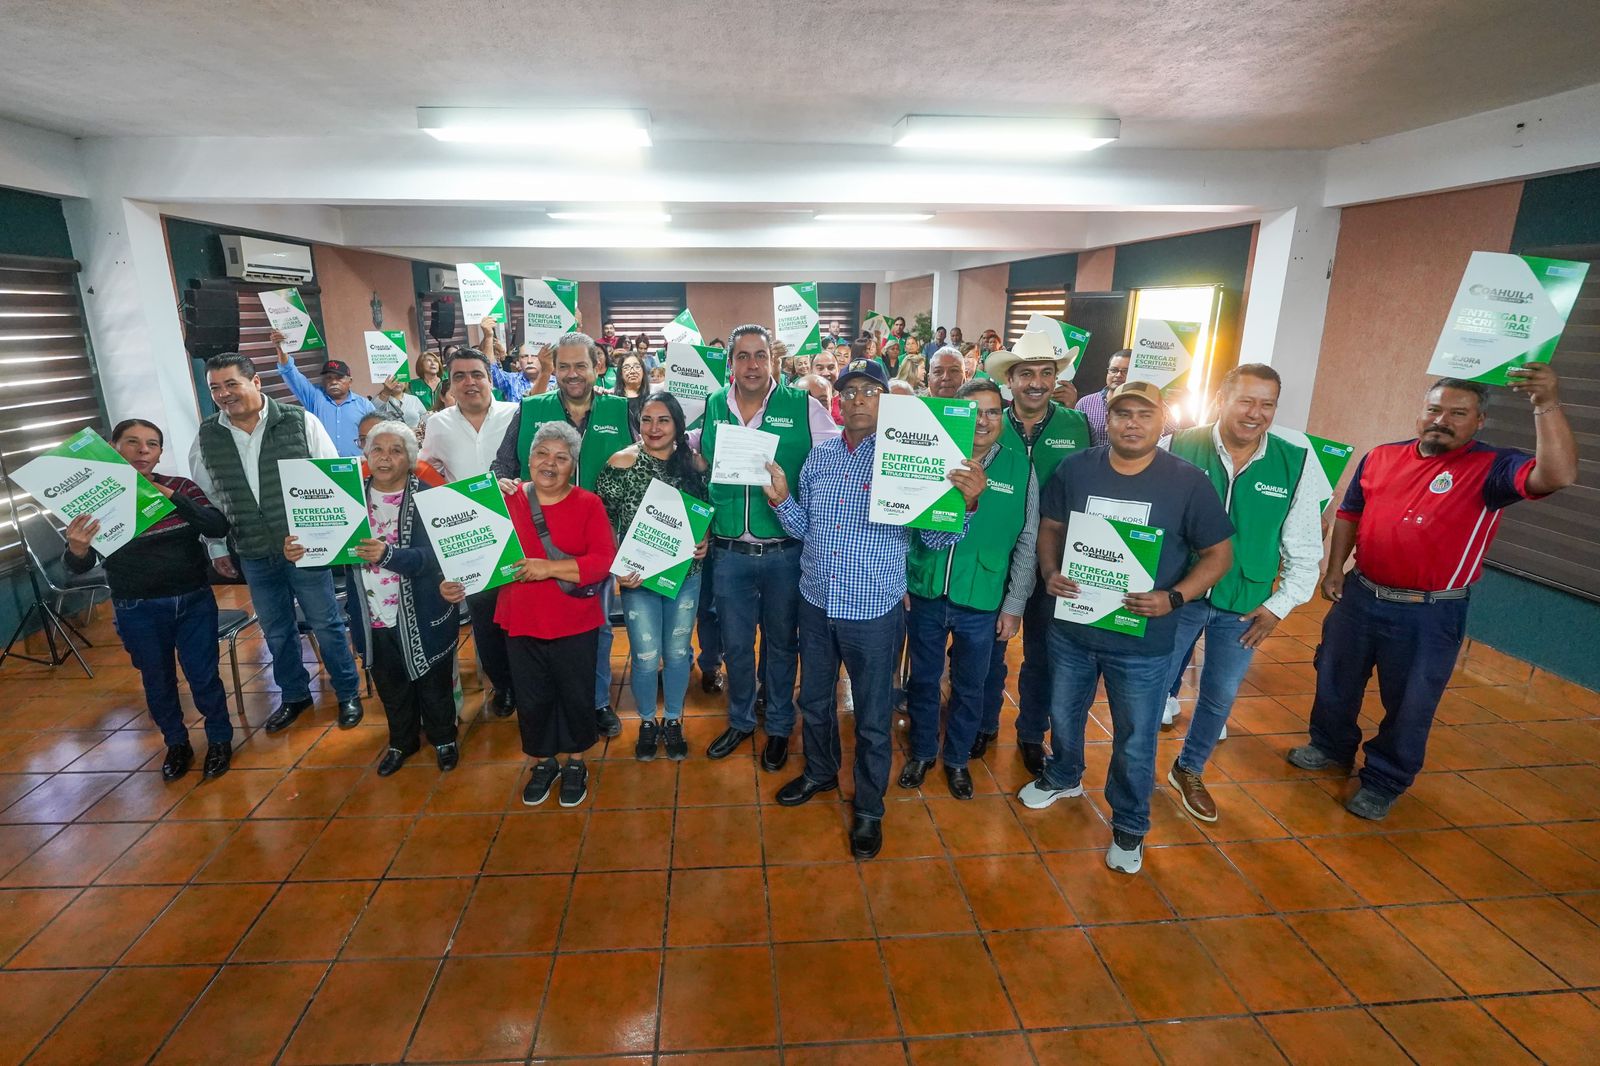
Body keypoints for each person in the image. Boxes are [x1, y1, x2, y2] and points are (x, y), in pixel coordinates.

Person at [1289, 366, 1576, 819]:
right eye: (1434, 409)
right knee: (1334, 676)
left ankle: (1384, 780)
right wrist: (1335, 569)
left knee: (1410, 702)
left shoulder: (1494, 467)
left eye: (1458, 413)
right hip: (1361, 594)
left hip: (1427, 613)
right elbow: (1349, 513)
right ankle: (1329, 745)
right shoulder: (1381, 456)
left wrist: (1545, 403)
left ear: (1479, 421)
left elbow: (1556, 476)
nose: (1442, 420)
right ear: (1421, 412)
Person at [769, 357, 986, 858]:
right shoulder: (821, 455)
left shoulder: (908, 457)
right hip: (816, 601)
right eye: (849, 392)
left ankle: (869, 807)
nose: (858, 400)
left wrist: (968, 505)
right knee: (814, 702)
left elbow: (934, 537)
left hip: (872, 612)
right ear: (837, 402)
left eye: (870, 392)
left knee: (871, 717)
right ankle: (821, 772)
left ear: (887, 402)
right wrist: (781, 500)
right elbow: (806, 530)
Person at [1023, 380, 1234, 875]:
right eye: (1122, 414)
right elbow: (1051, 527)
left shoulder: (1187, 481)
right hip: (1073, 628)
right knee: (1063, 713)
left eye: (1144, 414)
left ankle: (1130, 822)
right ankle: (1064, 774)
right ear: (1108, 419)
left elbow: (1218, 555)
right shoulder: (1076, 468)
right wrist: (1050, 571)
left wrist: (1174, 597)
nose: (1132, 423)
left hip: (1143, 640)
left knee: (1136, 737)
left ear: (1162, 421)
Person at [1161, 365, 1325, 822]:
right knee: (1150, 689)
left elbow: (1305, 546)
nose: (1256, 413)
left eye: (1267, 404)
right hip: (1178, 597)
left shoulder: (1296, 462)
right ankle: (1133, 770)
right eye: (1246, 401)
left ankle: (1189, 769)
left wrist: (1279, 606)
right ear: (1221, 400)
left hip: (1244, 606)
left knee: (1219, 695)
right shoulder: (1177, 446)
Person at [188, 352, 365, 733]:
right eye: (215, 388)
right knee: (277, 630)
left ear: (255, 382)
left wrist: (329, 540)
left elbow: (331, 481)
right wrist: (217, 547)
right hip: (252, 550)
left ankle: (348, 692)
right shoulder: (208, 436)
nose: (223, 394)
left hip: (305, 549)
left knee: (326, 623)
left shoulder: (299, 421)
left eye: (231, 384)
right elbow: (209, 499)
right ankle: (294, 695)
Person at [697, 323, 840, 770]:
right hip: (728, 554)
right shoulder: (714, 405)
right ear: (731, 363)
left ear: (773, 360)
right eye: (742, 356)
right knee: (737, 646)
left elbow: (838, 456)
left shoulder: (803, 406)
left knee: (781, 644)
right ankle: (741, 720)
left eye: (760, 355)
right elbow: (697, 455)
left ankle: (778, 726)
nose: (752, 365)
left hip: (784, 553)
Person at [454, 421, 616, 807]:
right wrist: (454, 582)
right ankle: (544, 762)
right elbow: (468, 552)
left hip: (574, 620)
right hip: (521, 618)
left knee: (575, 693)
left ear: (573, 466)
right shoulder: (506, 500)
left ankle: (575, 762)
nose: (550, 463)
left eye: (561, 457)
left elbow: (602, 561)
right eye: (542, 454)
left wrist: (549, 568)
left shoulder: (588, 504)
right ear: (528, 460)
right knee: (532, 697)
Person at [65, 418, 234, 779]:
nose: (143, 451)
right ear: (113, 448)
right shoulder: (94, 500)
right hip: (136, 607)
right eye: (132, 442)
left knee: (204, 676)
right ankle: (177, 744)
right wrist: (77, 548)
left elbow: (216, 526)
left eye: (152, 444)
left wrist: (171, 498)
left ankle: (220, 739)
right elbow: (78, 566)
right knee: (157, 682)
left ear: (159, 453)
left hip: (193, 601)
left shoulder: (180, 487)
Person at [291, 420, 459, 776]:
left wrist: (388, 555)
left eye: (396, 451)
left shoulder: (431, 497)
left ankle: (444, 739)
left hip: (423, 611)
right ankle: (402, 741)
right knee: (390, 684)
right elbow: (327, 551)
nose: (384, 458)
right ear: (366, 455)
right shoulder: (346, 498)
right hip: (371, 612)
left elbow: (436, 557)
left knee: (434, 683)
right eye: (377, 450)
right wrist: (302, 551)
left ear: (410, 459)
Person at [492, 332, 633, 739]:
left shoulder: (621, 409)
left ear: (597, 367)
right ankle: (549, 708)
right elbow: (502, 465)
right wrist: (500, 482)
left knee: (597, 627)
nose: (572, 374)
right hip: (537, 538)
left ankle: (596, 702)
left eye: (580, 365)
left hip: (600, 539)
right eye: (564, 366)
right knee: (539, 631)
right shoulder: (530, 408)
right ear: (553, 368)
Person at [903, 380, 1036, 798]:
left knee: (970, 685)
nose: (983, 420)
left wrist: (1014, 604)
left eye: (993, 411)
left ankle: (957, 758)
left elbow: (1028, 539)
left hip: (982, 597)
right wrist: (900, 579)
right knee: (923, 680)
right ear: (956, 415)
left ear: (1003, 417)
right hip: (925, 590)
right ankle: (922, 751)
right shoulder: (930, 453)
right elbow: (903, 523)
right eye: (973, 411)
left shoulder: (1019, 466)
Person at [974, 331, 1093, 774]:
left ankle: (1030, 732)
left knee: (1042, 654)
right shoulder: (987, 421)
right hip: (992, 553)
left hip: (1054, 561)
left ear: (1056, 378)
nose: (1037, 382)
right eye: (1026, 374)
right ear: (1010, 380)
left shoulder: (1077, 425)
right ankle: (983, 721)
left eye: (1046, 373)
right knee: (988, 649)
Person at [596, 392, 711, 761]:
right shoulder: (622, 462)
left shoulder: (694, 463)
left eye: (663, 420)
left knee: (677, 652)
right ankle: (647, 721)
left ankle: (673, 720)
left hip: (686, 576)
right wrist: (615, 566)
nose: (654, 428)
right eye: (647, 419)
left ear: (678, 424)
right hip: (638, 579)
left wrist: (705, 539)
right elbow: (601, 522)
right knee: (645, 657)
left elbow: (707, 511)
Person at [419, 346, 520, 716]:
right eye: (459, 376)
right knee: (485, 618)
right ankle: (504, 687)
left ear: (489, 378)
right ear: (450, 383)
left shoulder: (515, 413)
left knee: (522, 613)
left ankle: (529, 681)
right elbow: (426, 470)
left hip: (517, 530)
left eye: (476, 374)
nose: (469, 382)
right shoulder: (438, 424)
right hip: (470, 539)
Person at [272, 336, 375, 457]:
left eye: (339, 378)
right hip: (323, 465)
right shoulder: (315, 397)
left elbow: (378, 435)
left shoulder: (364, 405)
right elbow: (290, 372)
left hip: (358, 464)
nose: (333, 382)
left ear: (350, 381)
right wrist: (281, 349)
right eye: (328, 378)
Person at [811, 349, 844, 425]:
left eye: (831, 367)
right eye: (820, 368)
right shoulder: (804, 401)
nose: (826, 373)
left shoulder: (847, 400)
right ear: (811, 371)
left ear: (838, 370)